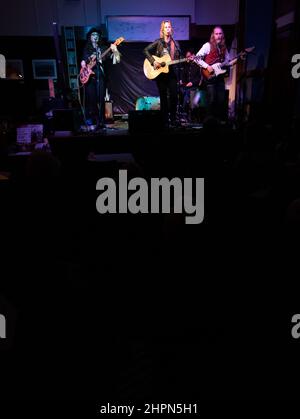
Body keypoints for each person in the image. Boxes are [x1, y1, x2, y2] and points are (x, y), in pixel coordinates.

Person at [144, 20, 181, 127]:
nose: (168, 29)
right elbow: (145, 50)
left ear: (171, 29)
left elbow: (178, 58)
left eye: (169, 27)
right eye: (166, 27)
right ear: (162, 30)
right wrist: (153, 61)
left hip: (172, 74)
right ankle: (165, 120)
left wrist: (185, 59)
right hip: (161, 75)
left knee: (174, 96)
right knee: (163, 97)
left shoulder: (175, 44)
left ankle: (173, 119)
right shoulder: (158, 42)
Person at [81, 28, 119, 130]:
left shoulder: (102, 48)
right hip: (89, 78)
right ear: (90, 37)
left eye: (97, 34)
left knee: (101, 99)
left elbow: (115, 59)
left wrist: (114, 50)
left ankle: (101, 121)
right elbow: (83, 61)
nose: (95, 36)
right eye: (93, 34)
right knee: (92, 100)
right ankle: (95, 120)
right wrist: (83, 63)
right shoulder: (87, 49)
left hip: (100, 76)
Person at [196, 26, 235, 120]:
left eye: (220, 34)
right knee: (212, 100)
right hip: (210, 76)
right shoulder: (207, 45)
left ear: (222, 35)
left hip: (220, 77)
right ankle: (209, 121)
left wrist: (237, 59)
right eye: (216, 34)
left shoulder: (224, 48)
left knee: (221, 100)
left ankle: (218, 122)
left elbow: (228, 62)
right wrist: (207, 66)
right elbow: (196, 58)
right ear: (213, 35)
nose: (218, 36)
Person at [180, 50, 202, 122]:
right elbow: (183, 77)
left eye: (189, 56)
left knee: (193, 104)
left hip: (194, 87)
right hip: (186, 88)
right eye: (187, 57)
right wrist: (182, 81)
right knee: (185, 102)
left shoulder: (198, 65)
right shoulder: (186, 66)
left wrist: (192, 83)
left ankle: (194, 118)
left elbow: (199, 78)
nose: (188, 58)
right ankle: (186, 117)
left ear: (193, 55)